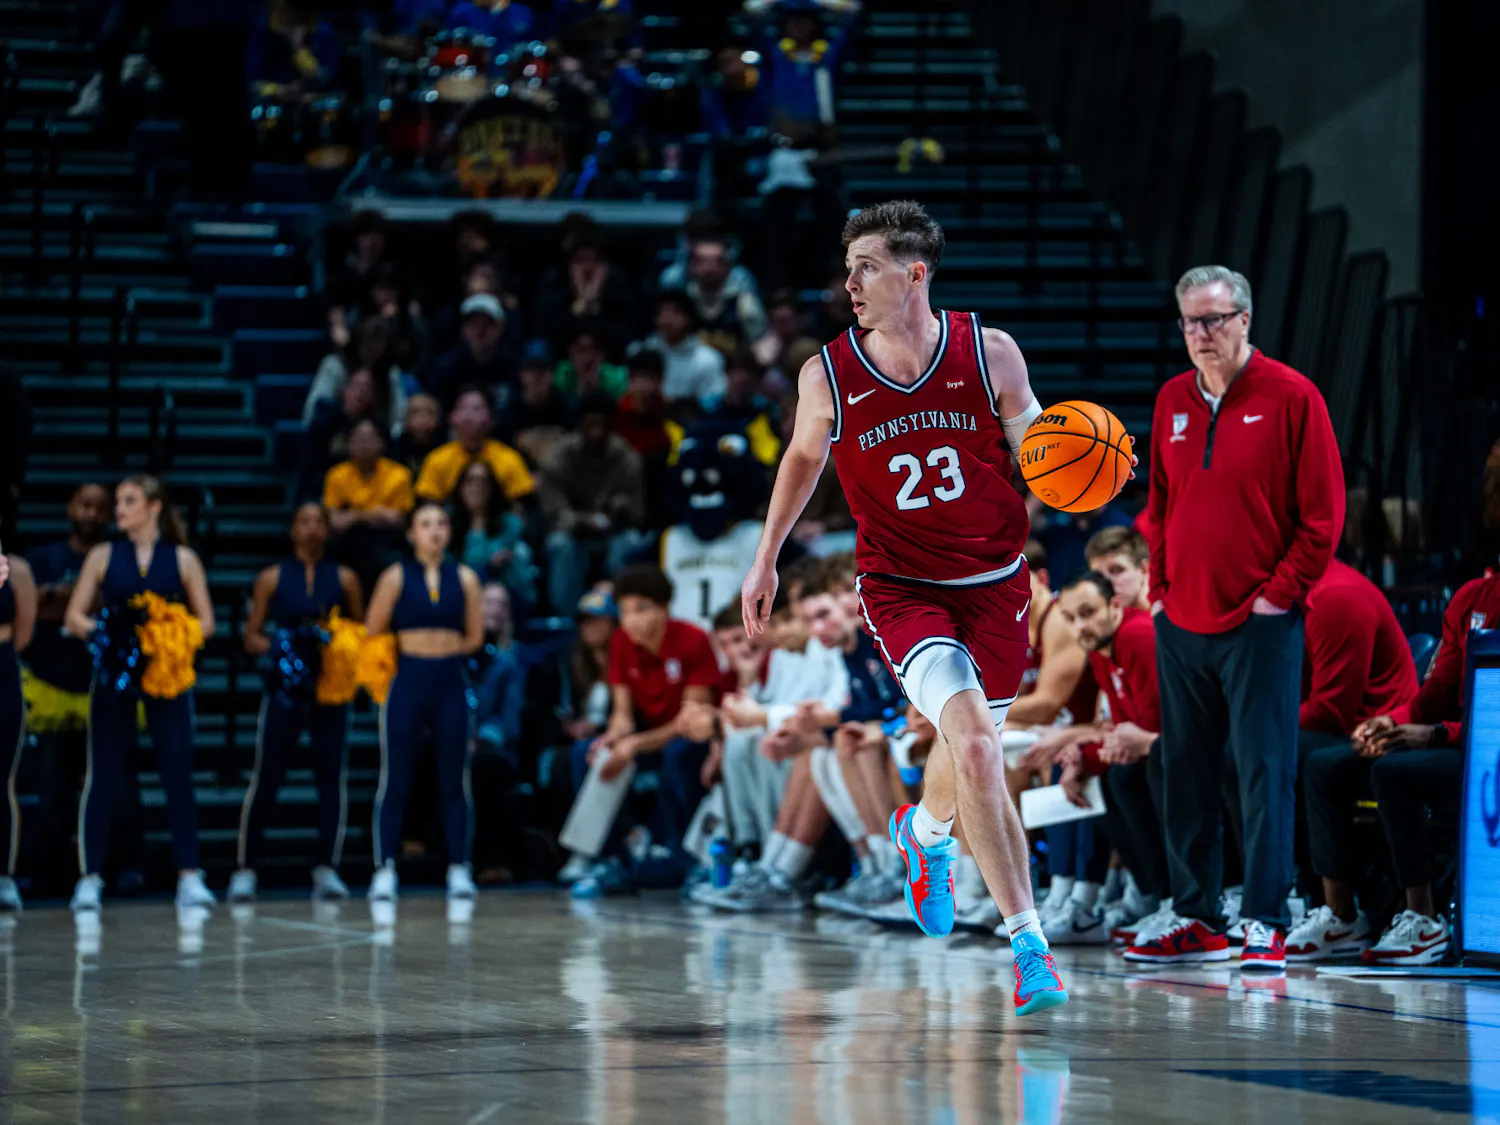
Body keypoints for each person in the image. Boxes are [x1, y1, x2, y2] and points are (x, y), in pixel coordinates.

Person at [740, 200, 1068, 1015]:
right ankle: (1030, 948)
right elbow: (802, 460)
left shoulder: (990, 351)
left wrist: (1077, 463)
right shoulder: (829, 373)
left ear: (914, 273)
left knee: (968, 760)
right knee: (980, 748)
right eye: (847, 266)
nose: (849, 282)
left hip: (996, 584)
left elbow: (1038, 449)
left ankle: (921, 838)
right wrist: (766, 554)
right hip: (902, 588)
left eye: (867, 267)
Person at [1134, 265, 1344, 970]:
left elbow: (1323, 518)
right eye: (1190, 321)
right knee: (1184, 769)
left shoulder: (1293, 397)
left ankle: (1264, 919)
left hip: (1260, 622)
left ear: (1245, 319)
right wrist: (1158, 586)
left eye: (1214, 319)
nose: (1201, 334)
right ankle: (1196, 915)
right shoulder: (1170, 399)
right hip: (1180, 619)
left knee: (1262, 771)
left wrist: (1277, 595)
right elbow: (1159, 503)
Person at [65, 476, 218, 912]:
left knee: (177, 773)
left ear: (154, 507)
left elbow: (206, 623)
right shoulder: (103, 555)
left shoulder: (183, 559)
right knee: (104, 773)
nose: (119, 509)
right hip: (116, 673)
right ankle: (90, 876)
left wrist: (168, 633)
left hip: (166, 677)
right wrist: (112, 633)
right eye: (118, 501)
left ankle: (189, 875)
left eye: (129, 501)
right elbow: (76, 616)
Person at [232, 504, 365, 903]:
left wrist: (338, 649)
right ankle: (246, 868)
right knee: (268, 776)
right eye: (303, 522)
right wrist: (282, 648)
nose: (311, 529)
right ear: (292, 530)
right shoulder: (271, 578)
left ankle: (326, 867)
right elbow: (251, 635)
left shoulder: (345, 578)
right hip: (285, 690)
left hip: (328, 690)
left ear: (328, 530)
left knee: (330, 778)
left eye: (318, 522)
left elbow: (360, 633)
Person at [364, 502, 485, 904]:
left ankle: (458, 868)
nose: (434, 531)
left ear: (450, 532)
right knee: (396, 777)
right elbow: (373, 629)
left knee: (454, 778)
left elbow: (475, 636)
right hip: (408, 679)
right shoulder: (395, 576)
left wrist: (441, 649)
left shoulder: (465, 578)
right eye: (426, 524)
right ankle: (384, 868)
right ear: (412, 533)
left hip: (450, 680)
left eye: (441, 523)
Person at [569, 566, 719, 883]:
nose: (632, 620)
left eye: (642, 609)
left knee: (679, 754)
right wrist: (613, 737)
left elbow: (690, 720)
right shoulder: (622, 641)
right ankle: (607, 857)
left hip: (688, 737)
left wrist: (635, 743)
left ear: (665, 609)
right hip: (647, 736)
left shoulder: (693, 640)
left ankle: (683, 854)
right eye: (624, 611)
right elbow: (622, 712)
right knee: (590, 752)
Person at [1050, 572, 1168, 946]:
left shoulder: (1136, 635)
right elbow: (1118, 728)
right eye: (1070, 618)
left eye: (1087, 613)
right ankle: (1150, 896)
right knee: (1103, 778)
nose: (1079, 626)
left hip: (1181, 747)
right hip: (1150, 747)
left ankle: (1173, 898)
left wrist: (1092, 752)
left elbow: (1148, 725)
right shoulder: (1101, 648)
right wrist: (1083, 757)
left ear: (1114, 606)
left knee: (1125, 777)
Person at [538, 395, 648, 615]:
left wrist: (623, 509)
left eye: (602, 425)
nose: (596, 432)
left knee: (632, 542)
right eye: (590, 425)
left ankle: (620, 613)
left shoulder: (627, 458)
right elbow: (553, 511)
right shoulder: (559, 458)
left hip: (613, 533)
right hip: (574, 534)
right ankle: (565, 618)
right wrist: (581, 520)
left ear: (611, 427)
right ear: (580, 425)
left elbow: (640, 513)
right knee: (559, 544)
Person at [323, 418, 414, 595]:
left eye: (370, 438)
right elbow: (334, 521)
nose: (364, 444)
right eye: (358, 439)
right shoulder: (336, 475)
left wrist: (354, 515)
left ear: (382, 443)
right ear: (349, 444)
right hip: (348, 542)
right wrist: (377, 513)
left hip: (387, 541)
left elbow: (398, 519)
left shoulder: (399, 474)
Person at [415, 387, 537, 506]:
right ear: (452, 418)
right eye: (462, 407)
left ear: (491, 418)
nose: (469, 415)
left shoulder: (509, 459)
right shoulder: (436, 460)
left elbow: (522, 508)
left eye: (477, 408)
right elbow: (428, 508)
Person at [451, 460, 537, 612]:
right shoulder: (448, 525)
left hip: (502, 595)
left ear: (492, 488)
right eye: (471, 481)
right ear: (461, 487)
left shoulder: (509, 524)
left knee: (520, 553)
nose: (477, 487)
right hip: (459, 597)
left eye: (484, 481)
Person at [303, 318, 408, 437]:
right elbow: (312, 411)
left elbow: (398, 420)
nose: (372, 352)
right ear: (357, 343)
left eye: (378, 347)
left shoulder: (391, 373)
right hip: (335, 431)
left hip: (376, 439)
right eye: (368, 345)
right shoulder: (334, 365)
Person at [0, 550, 35, 910]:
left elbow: (24, 633)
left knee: (2, 777)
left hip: (3, 669)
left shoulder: (16, 569)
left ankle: (3, 876)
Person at [632, 291, 727, 407]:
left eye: (675, 312)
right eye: (662, 311)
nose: (666, 318)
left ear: (689, 317)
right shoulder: (642, 352)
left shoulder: (708, 359)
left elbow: (713, 402)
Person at [429, 295, 518, 411]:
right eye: (474, 324)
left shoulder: (513, 366)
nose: (480, 330)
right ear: (463, 329)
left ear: (500, 327)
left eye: (487, 324)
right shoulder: (446, 368)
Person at [393, 393, 444, 475]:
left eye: (429, 412)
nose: (422, 419)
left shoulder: (446, 448)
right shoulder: (394, 449)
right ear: (406, 418)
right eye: (415, 412)